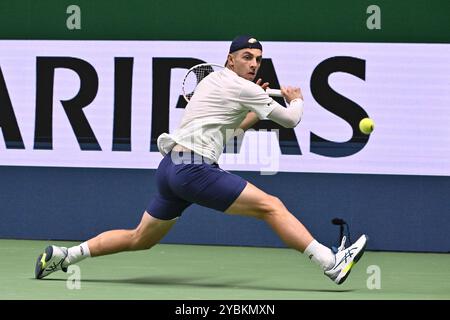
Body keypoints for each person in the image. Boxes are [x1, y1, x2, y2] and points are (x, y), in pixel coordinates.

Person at [35, 35, 367, 285]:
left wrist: (255, 106)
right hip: (192, 169)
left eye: (258, 60)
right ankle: (329, 262)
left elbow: (231, 131)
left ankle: (65, 256)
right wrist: (296, 100)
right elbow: (291, 120)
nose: (253, 64)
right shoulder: (243, 88)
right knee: (272, 206)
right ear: (231, 59)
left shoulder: (213, 80)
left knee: (141, 238)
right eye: (246, 57)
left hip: (169, 171)